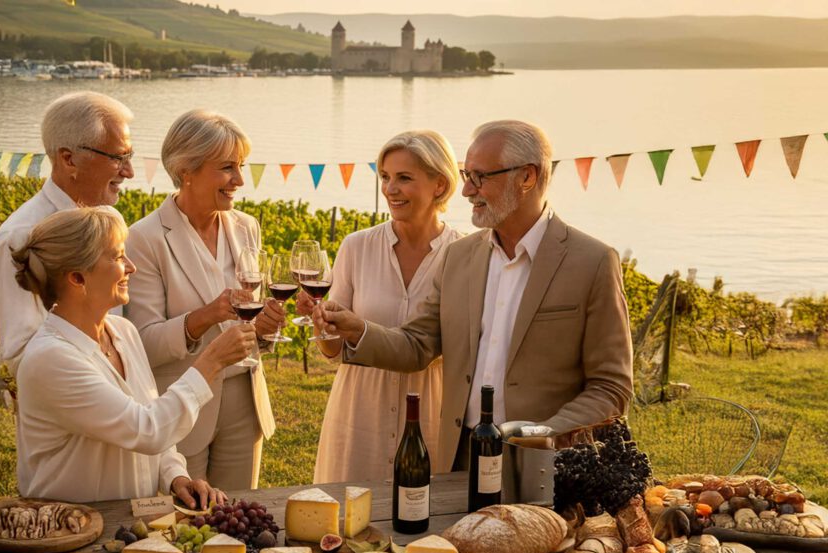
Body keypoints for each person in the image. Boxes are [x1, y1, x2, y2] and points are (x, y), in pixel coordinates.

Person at [315, 120, 633, 473]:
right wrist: (358, 330)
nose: (466, 190)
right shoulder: (460, 256)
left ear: (527, 177)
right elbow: (418, 344)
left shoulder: (592, 261)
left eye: (480, 177)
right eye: (467, 174)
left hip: (546, 465)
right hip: (458, 457)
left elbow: (611, 387)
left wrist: (542, 435)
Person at [11, 206, 256, 504]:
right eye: (117, 257)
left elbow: (153, 424)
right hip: (67, 528)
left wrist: (175, 476)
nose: (131, 266)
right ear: (77, 278)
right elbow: (147, 429)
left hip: (124, 526)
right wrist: (212, 361)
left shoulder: (123, 332)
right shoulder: (51, 359)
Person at [125, 110, 282, 491]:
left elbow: (248, 324)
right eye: (227, 167)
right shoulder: (144, 239)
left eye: (241, 166)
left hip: (246, 400)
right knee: (186, 524)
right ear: (187, 170)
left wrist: (264, 329)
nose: (240, 180)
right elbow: (143, 344)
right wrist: (207, 315)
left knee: (238, 519)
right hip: (183, 402)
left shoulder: (246, 227)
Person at [301, 130, 462, 483]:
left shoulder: (464, 255)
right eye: (385, 177)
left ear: (439, 184)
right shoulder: (356, 247)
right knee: (348, 520)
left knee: (424, 522)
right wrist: (322, 324)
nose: (390, 189)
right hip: (360, 412)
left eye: (404, 178)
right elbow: (333, 351)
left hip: (430, 410)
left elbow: (462, 347)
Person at [0, 91, 135, 376]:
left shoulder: (111, 218)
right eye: (118, 158)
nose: (129, 171)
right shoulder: (20, 237)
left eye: (129, 156)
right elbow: (20, 353)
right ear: (69, 159)